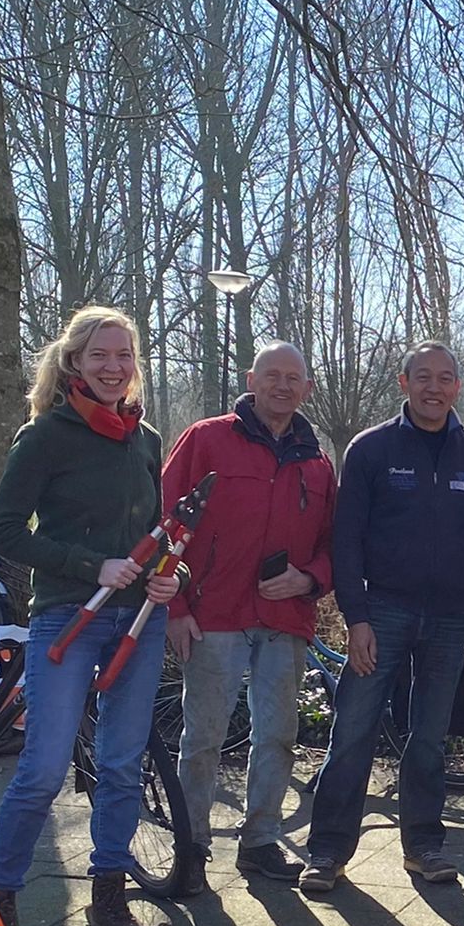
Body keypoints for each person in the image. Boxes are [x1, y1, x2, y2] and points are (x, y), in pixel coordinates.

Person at [0, 306, 183, 926]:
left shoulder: (146, 440)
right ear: (73, 362)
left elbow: (154, 538)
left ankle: (108, 895)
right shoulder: (44, 437)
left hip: (140, 622)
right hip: (69, 617)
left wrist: (164, 577)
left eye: (124, 356)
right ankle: (0, 899)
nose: (113, 367)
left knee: (123, 766)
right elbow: (4, 533)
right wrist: (88, 565)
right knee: (42, 767)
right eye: (101, 355)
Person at [304, 342, 464, 893]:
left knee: (429, 737)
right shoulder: (370, 450)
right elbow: (345, 539)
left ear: (457, 388)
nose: (434, 388)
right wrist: (357, 618)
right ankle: (327, 852)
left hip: (450, 617)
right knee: (352, 733)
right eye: (423, 377)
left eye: (445, 378)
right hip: (383, 612)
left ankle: (424, 846)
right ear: (404, 383)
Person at [163, 341, 333, 893]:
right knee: (204, 737)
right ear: (251, 379)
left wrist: (310, 579)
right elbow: (164, 523)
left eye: (294, 378)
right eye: (272, 375)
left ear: (307, 388)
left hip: (285, 618)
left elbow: (336, 545)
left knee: (279, 735)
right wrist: (176, 608)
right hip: (213, 614)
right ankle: (190, 849)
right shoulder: (207, 439)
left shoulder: (318, 462)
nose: (283, 386)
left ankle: (260, 842)